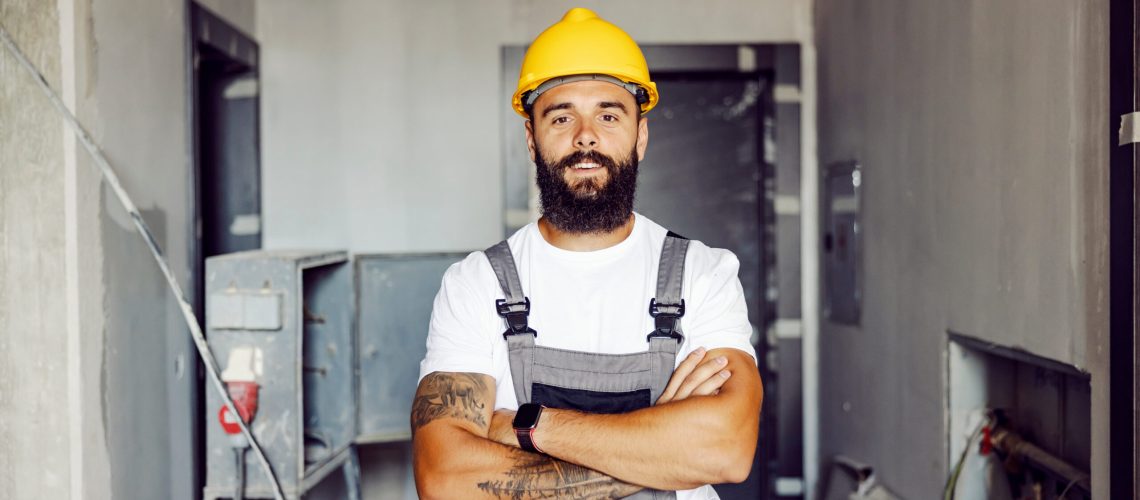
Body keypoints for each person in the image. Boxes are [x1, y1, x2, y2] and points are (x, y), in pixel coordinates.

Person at [411, 8, 763, 499]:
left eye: (608, 114)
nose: (586, 136)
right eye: (561, 116)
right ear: (531, 140)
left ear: (640, 136)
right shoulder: (476, 283)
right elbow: (444, 480)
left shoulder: (703, 274)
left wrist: (527, 427)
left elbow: (727, 451)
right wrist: (661, 452)